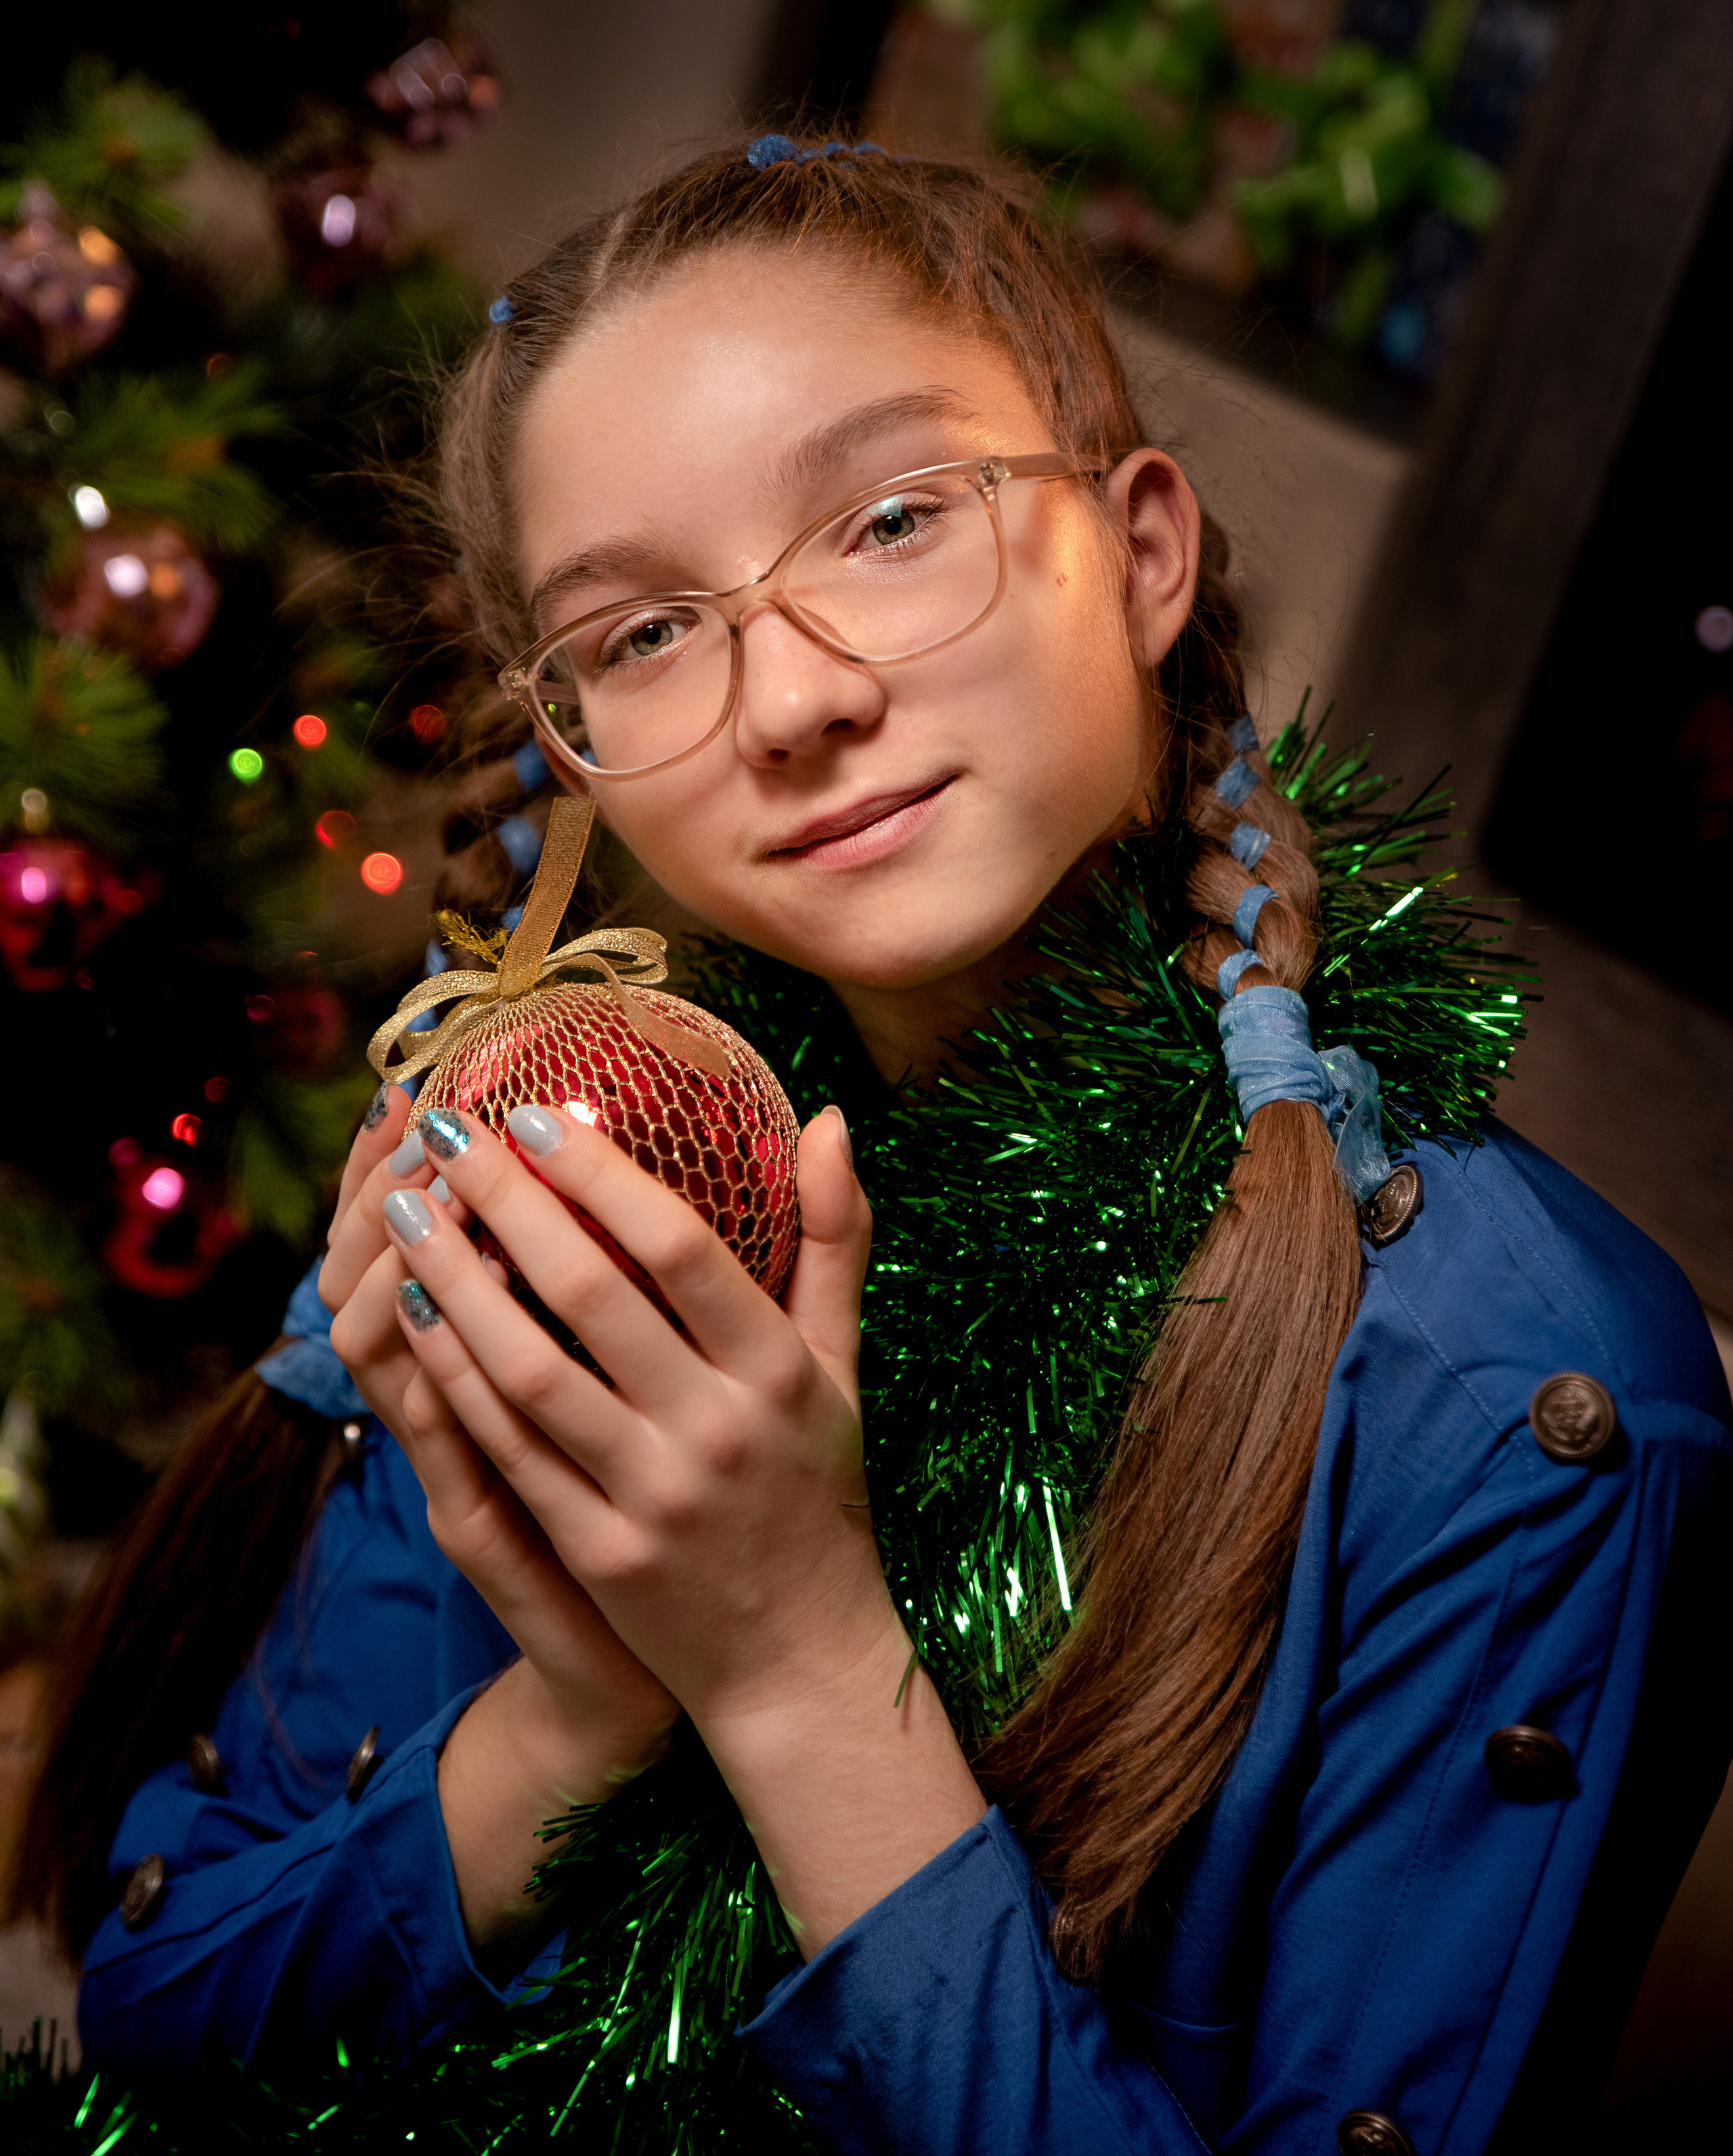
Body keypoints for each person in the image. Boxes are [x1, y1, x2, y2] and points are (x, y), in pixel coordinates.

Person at [14, 138, 1732, 2155]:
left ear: (1148, 552)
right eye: (641, 635)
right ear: (571, 754)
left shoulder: (1522, 1400)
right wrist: (576, 1712)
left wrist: (795, 1666)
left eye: (897, 519)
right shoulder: (561, 1173)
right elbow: (156, 1998)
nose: (794, 699)